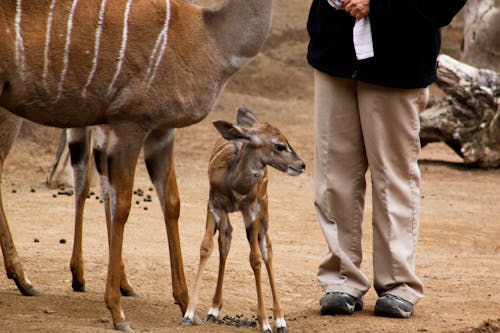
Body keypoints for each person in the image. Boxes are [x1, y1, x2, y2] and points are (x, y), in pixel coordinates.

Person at [307, 0, 466, 318]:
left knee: (392, 175)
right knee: (333, 174)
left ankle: (398, 285)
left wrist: (379, 4)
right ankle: (341, 279)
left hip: (399, 58)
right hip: (334, 51)